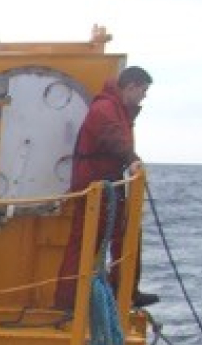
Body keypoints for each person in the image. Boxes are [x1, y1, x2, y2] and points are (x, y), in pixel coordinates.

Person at [55, 66, 157, 310]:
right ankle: (67, 303)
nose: (144, 96)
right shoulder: (105, 108)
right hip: (95, 187)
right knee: (84, 243)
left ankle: (125, 291)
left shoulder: (118, 109)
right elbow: (112, 138)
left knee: (128, 234)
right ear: (131, 86)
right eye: (143, 90)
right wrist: (132, 159)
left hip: (109, 185)